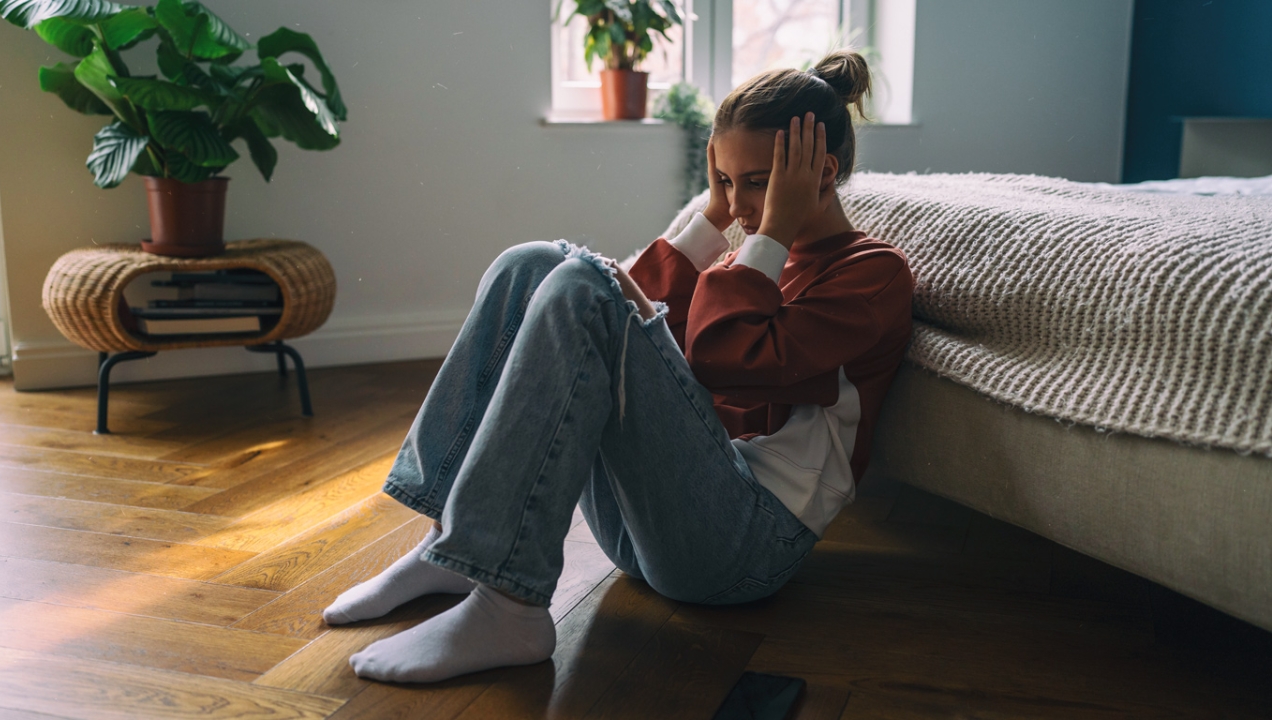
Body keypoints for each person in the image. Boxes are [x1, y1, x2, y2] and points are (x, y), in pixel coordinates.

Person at [323, 49, 913, 684]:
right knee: (535, 265)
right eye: (725, 181)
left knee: (581, 282)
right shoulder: (741, 268)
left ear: (822, 173)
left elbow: (722, 359)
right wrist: (713, 219)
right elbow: (621, 318)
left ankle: (509, 606)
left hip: (745, 548)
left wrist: (767, 237)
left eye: (758, 182)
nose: (739, 205)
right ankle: (455, 546)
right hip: (650, 528)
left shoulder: (870, 275)